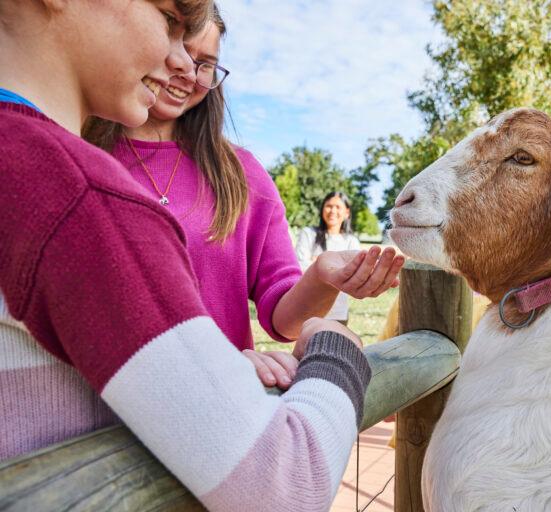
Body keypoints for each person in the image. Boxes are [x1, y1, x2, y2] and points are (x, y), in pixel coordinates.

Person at [0, 2, 393, 509]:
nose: (182, 64)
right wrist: (338, 343)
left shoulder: (239, 173)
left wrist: (314, 284)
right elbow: (286, 484)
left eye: (204, 60)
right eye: (169, 22)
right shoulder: (84, 194)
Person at [83, 6, 404, 389]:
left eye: (206, 64)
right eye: (181, 48)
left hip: (221, 406)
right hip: (99, 409)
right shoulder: (77, 151)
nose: (188, 71)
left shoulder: (243, 173)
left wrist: (321, 276)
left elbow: (283, 320)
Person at [295, 192, 362, 325]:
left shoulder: (351, 241)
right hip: (308, 310)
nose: (332, 211)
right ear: (322, 209)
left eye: (338, 207)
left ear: (347, 213)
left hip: (338, 313)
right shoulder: (308, 234)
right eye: (329, 206)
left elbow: (354, 272)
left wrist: (317, 262)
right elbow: (299, 266)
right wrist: (337, 269)